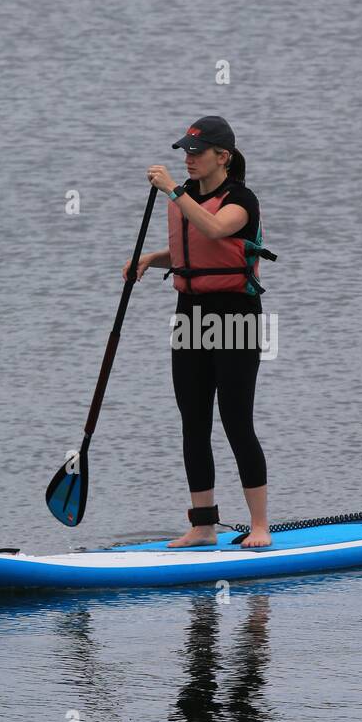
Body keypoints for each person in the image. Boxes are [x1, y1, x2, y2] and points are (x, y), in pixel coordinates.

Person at [123, 116, 275, 548]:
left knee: (235, 420)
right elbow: (196, 247)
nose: (189, 159)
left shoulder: (242, 199)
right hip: (190, 313)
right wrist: (152, 258)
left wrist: (171, 189)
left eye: (197, 152)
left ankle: (260, 525)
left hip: (236, 317)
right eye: (185, 152)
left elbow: (216, 229)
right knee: (193, 420)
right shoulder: (187, 196)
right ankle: (203, 524)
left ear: (222, 156)